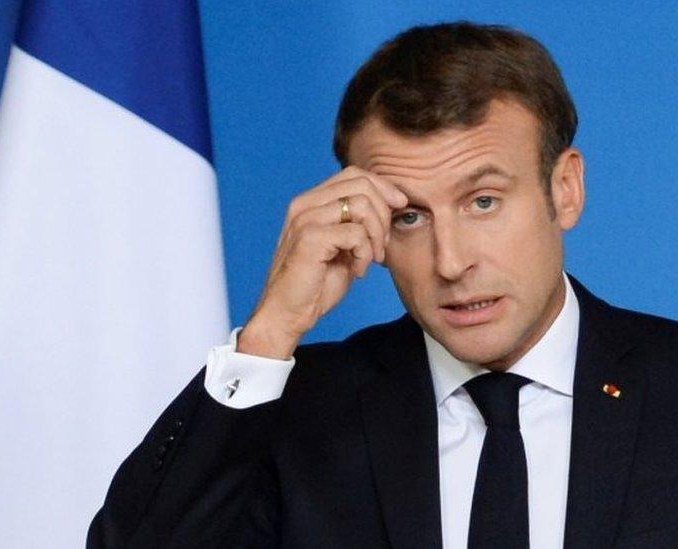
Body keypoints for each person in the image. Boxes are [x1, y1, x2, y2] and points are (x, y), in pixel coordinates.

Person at [88, 21, 678, 548]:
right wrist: (268, 336)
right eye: (409, 217)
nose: (449, 262)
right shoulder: (299, 413)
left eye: (483, 201)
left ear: (565, 190)